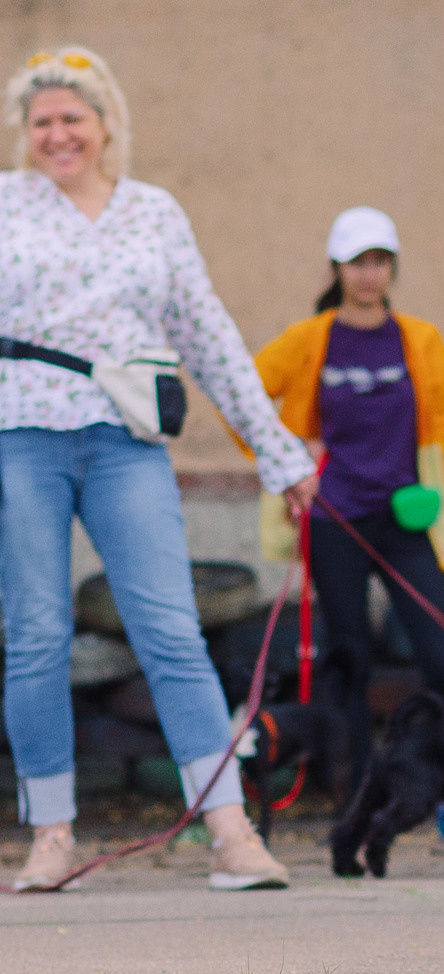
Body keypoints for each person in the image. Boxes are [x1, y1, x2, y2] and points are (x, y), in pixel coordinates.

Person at [0, 47, 317, 891]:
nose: (58, 134)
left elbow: (210, 338)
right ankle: (51, 836)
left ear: (106, 125)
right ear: (24, 134)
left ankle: (230, 832)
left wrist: (279, 453)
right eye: (42, 123)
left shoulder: (154, 213)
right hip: (21, 435)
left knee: (172, 631)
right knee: (35, 635)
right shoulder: (5, 206)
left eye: (73, 118)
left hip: (125, 443)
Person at [247, 207, 444, 795]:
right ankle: (357, 792)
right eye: (358, 262)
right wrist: (286, 459)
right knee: (348, 659)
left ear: (392, 268)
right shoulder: (310, 340)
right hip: (335, 519)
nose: (369, 274)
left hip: (406, 517)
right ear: (338, 267)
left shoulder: (419, 340)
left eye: (380, 261)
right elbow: (244, 396)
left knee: (443, 655)